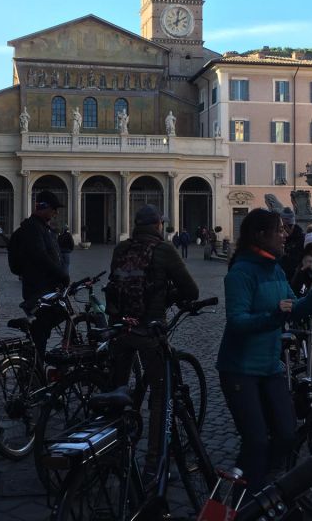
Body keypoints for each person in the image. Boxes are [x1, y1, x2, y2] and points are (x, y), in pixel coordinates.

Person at [217, 208, 312, 492]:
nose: (285, 235)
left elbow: (298, 307)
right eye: (279, 230)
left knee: (287, 434)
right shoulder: (240, 272)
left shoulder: (275, 268)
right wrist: (275, 317)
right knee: (255, 441)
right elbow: (237, 322)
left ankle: (263, 486)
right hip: (240, 369)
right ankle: (240, 497)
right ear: (260, 235)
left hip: (270, 367)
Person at [108, 204, 199, 483]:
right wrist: (170, 296)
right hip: (149, 330)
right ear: (159, 225)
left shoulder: (121, 249)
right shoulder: (164, 250)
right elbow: (191, 289)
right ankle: (153, 464)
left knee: (115, 392)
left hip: (121, 329)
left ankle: (110, 452)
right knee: (161, 397)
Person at [9, 190, 69, 360]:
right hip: (39, 288)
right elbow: (41, 256)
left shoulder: (43, 228)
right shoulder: (33, 228)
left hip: (46, 286)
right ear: (43, 207)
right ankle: (33, 368)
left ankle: (35, 364)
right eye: (54, 209)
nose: (56, 213)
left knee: (45, 327)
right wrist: (61, 274)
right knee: (40, 331)